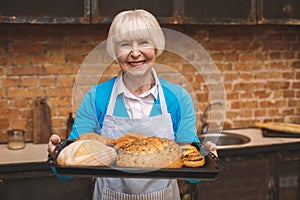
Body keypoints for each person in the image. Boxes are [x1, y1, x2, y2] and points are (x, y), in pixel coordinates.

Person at [48, 9, 217, 200]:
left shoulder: (178, 98)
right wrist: (56, 155)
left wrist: (206, 158)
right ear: (115, 51)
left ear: (156, 47)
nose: (135, 53)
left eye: (144, 42)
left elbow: (190, 170)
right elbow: (67, 171)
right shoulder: (96, 98)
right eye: (125, 45)